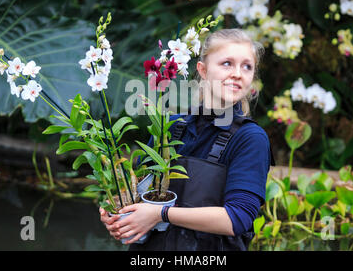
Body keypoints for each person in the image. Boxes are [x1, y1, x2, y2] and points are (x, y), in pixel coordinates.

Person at [99, 29, 275, 251]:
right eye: (227, 63)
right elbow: (141, 197)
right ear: (202, 69)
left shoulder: (250, 138)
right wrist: (120, 215)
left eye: (247, 66)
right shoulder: (169, 126)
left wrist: (160, 213)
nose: (238, 73)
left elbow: (237, 219)